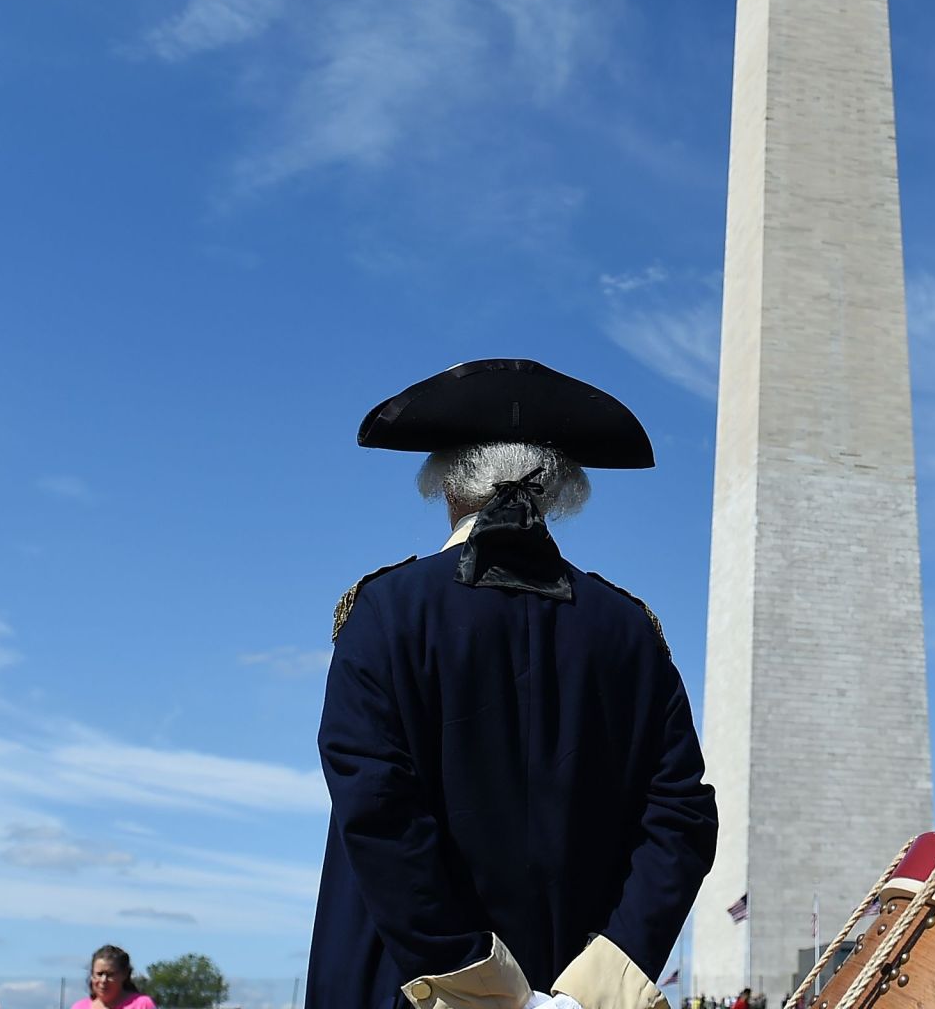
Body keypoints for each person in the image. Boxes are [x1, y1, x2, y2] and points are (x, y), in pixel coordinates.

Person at [306, 359, 718, 1009]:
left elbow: (380, 810)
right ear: (560, 488)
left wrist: (487, 990)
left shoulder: (385, 612)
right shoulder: (630, 631)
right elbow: (681, 819)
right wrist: (589, 990)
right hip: (576, 987)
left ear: (447, 481)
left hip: (402, 985)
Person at [74, 948, 152, 1009]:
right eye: (99, 974)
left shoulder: (142, 1005)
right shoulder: (79, 1007)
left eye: (110, 974)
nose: (103, 980)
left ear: (124, 974)